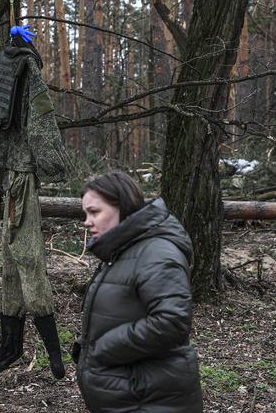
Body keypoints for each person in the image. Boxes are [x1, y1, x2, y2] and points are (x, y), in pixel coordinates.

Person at [0, 30, 71, 379]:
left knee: (14, 261)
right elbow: (42, 122)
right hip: (20, 178)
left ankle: (13, 346)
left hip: (8, 175)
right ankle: (49, 354)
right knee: (27, 260)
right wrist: (57, 165)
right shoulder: (28, 70)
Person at [73, 171, 203, 411]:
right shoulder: (122, 251)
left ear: (122, 207)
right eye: (85, 213)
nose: (86, 221)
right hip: (132, 396)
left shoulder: (157, 254)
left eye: (94, 212)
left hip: (152, 400)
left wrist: (102, 349)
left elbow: (172, 322)